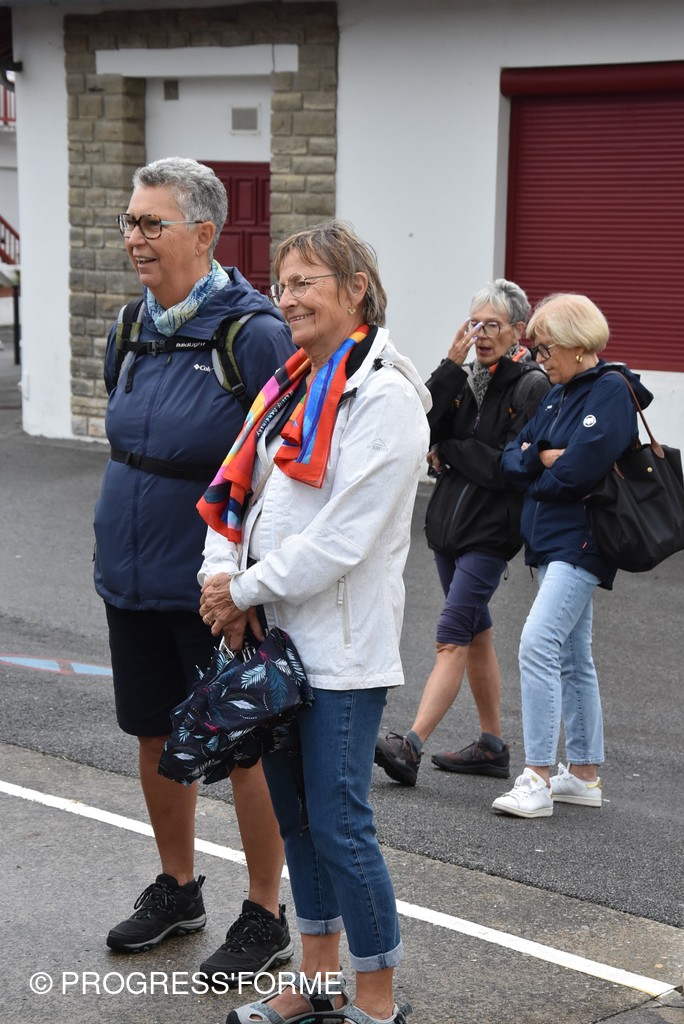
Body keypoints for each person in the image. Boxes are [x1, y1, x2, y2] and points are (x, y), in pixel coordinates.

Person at [197, 221, 430, 1024]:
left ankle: (378, 1000)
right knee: (298, 820)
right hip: (274, 642)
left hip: (341, 652)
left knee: (339, 825)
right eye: (281, 283)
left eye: (303, 283)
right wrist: (218, 581)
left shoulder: (387, 399)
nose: (285, 298)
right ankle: (319, 981)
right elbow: (234, 497)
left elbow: (341, 538)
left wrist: (242, 591)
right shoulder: (289, 385)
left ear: (356, 289)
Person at [93, 157, 297, 984]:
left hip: (217, 585)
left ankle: (266, 913)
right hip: (132, 572)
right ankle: (178, 888)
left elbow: (283, 469)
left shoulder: (253, 333)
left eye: (153, 223)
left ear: (205, 233)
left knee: (245, 744)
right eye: (130, 222)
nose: (135, 238)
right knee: (153, 730)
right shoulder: (129, 326)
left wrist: (248, 584)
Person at [374, 279, 550, 787]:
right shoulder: (467, 378)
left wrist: (449, 452)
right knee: (476, 633)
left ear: (518, 331)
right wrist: (450, 368)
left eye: (493, 325)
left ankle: (410, 744)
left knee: (451, 637)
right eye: (475, 323)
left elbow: (508, 467)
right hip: (449, 529)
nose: (482, 334)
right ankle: (492, 746)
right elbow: (420, 429)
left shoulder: (531, 386)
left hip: (490, 534)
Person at [493, 293, 653, 818]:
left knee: (537, 644)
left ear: (577, 344)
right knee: (571, 655)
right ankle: (583, 775)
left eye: (546, 348)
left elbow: (579, 470)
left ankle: (537, 776)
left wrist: (537, 469)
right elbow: (512, 457)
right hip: (550, 541)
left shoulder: (610, 390)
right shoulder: (558, 394)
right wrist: (541, 458)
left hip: (580, 543)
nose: (540, 359)